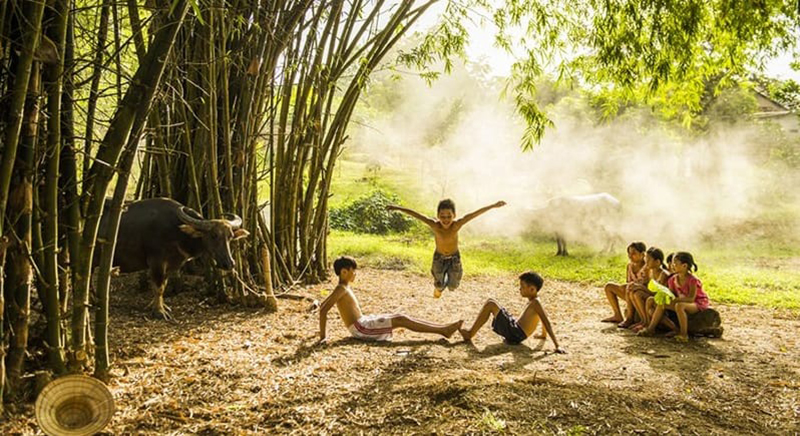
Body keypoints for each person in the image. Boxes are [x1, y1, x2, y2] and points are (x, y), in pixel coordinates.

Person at [318, 256, 463, 342]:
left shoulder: (342, 288)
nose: (355, 274)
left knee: (401, 317)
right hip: (361, 329)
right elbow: (324, 310)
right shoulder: (341, 289)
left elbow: (322, 306)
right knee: (401, 320)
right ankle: (443, 330)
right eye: (353, 271)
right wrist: (323, 337)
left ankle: (442, 328)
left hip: (363, 323)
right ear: (344, 272)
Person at [387, 199, 506, 298]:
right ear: (438, 216)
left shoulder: (456, 225)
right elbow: (416, 215)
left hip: (454, 258)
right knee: (439, 285)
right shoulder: (434, 225)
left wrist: (493, 206)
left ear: (454, 215)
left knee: (453, 286)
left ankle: (447, 285)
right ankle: (438, 289)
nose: (446, 219)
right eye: (442, 216)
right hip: (439, 258)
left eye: (449, 216)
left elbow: (473, 215)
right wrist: (397, 208)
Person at [459, 271, 565, 353]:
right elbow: (543, 319)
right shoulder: (535, 301)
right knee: (491, 301)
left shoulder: (536, 303)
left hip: (516, 334)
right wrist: (543, 335)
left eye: (522, 287)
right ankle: (470, 332)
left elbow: (546, 321)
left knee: (491, 305)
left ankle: (470, 334)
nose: (520, 289)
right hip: (515, 329)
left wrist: (557, 345)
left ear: (532, 289)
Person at [638, 251, 710, 342]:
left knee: (679, 306)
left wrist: (675, 300)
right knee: (659, 302)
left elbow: (691, 298)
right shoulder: (672, 280)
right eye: (672, 263)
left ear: (684, 266)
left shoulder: (692, 280)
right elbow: (671, 294)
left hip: (696, 303)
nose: (672, 265)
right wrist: (663, 296)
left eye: (675, 263)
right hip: (680, 302)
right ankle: (650, 328)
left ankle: (684, 334)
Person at [601, 242, 647, 326]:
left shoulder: (647, 267)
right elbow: (628, 282)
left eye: (634, 253)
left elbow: (648, 286)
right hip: (630, 294)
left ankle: (629, 318)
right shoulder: (629, 266)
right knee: (609, 287)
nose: (630, 256)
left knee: (630, 288)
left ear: (643, 254)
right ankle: (617, 315)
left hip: (641, 296)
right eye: (629, 253)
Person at [628, 247, 670, 332]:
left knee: (638, 293)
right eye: (645, 259)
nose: (646, 262)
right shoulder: (649, 270)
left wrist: (641, 287)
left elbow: (658, 293)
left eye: (648, 260)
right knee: (633, 292)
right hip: (652, 296)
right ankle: (643, 320)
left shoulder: (663, 274)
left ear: (657, 262)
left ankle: (647, 322)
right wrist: (637, 285)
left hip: (660, 299)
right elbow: (646, 284)